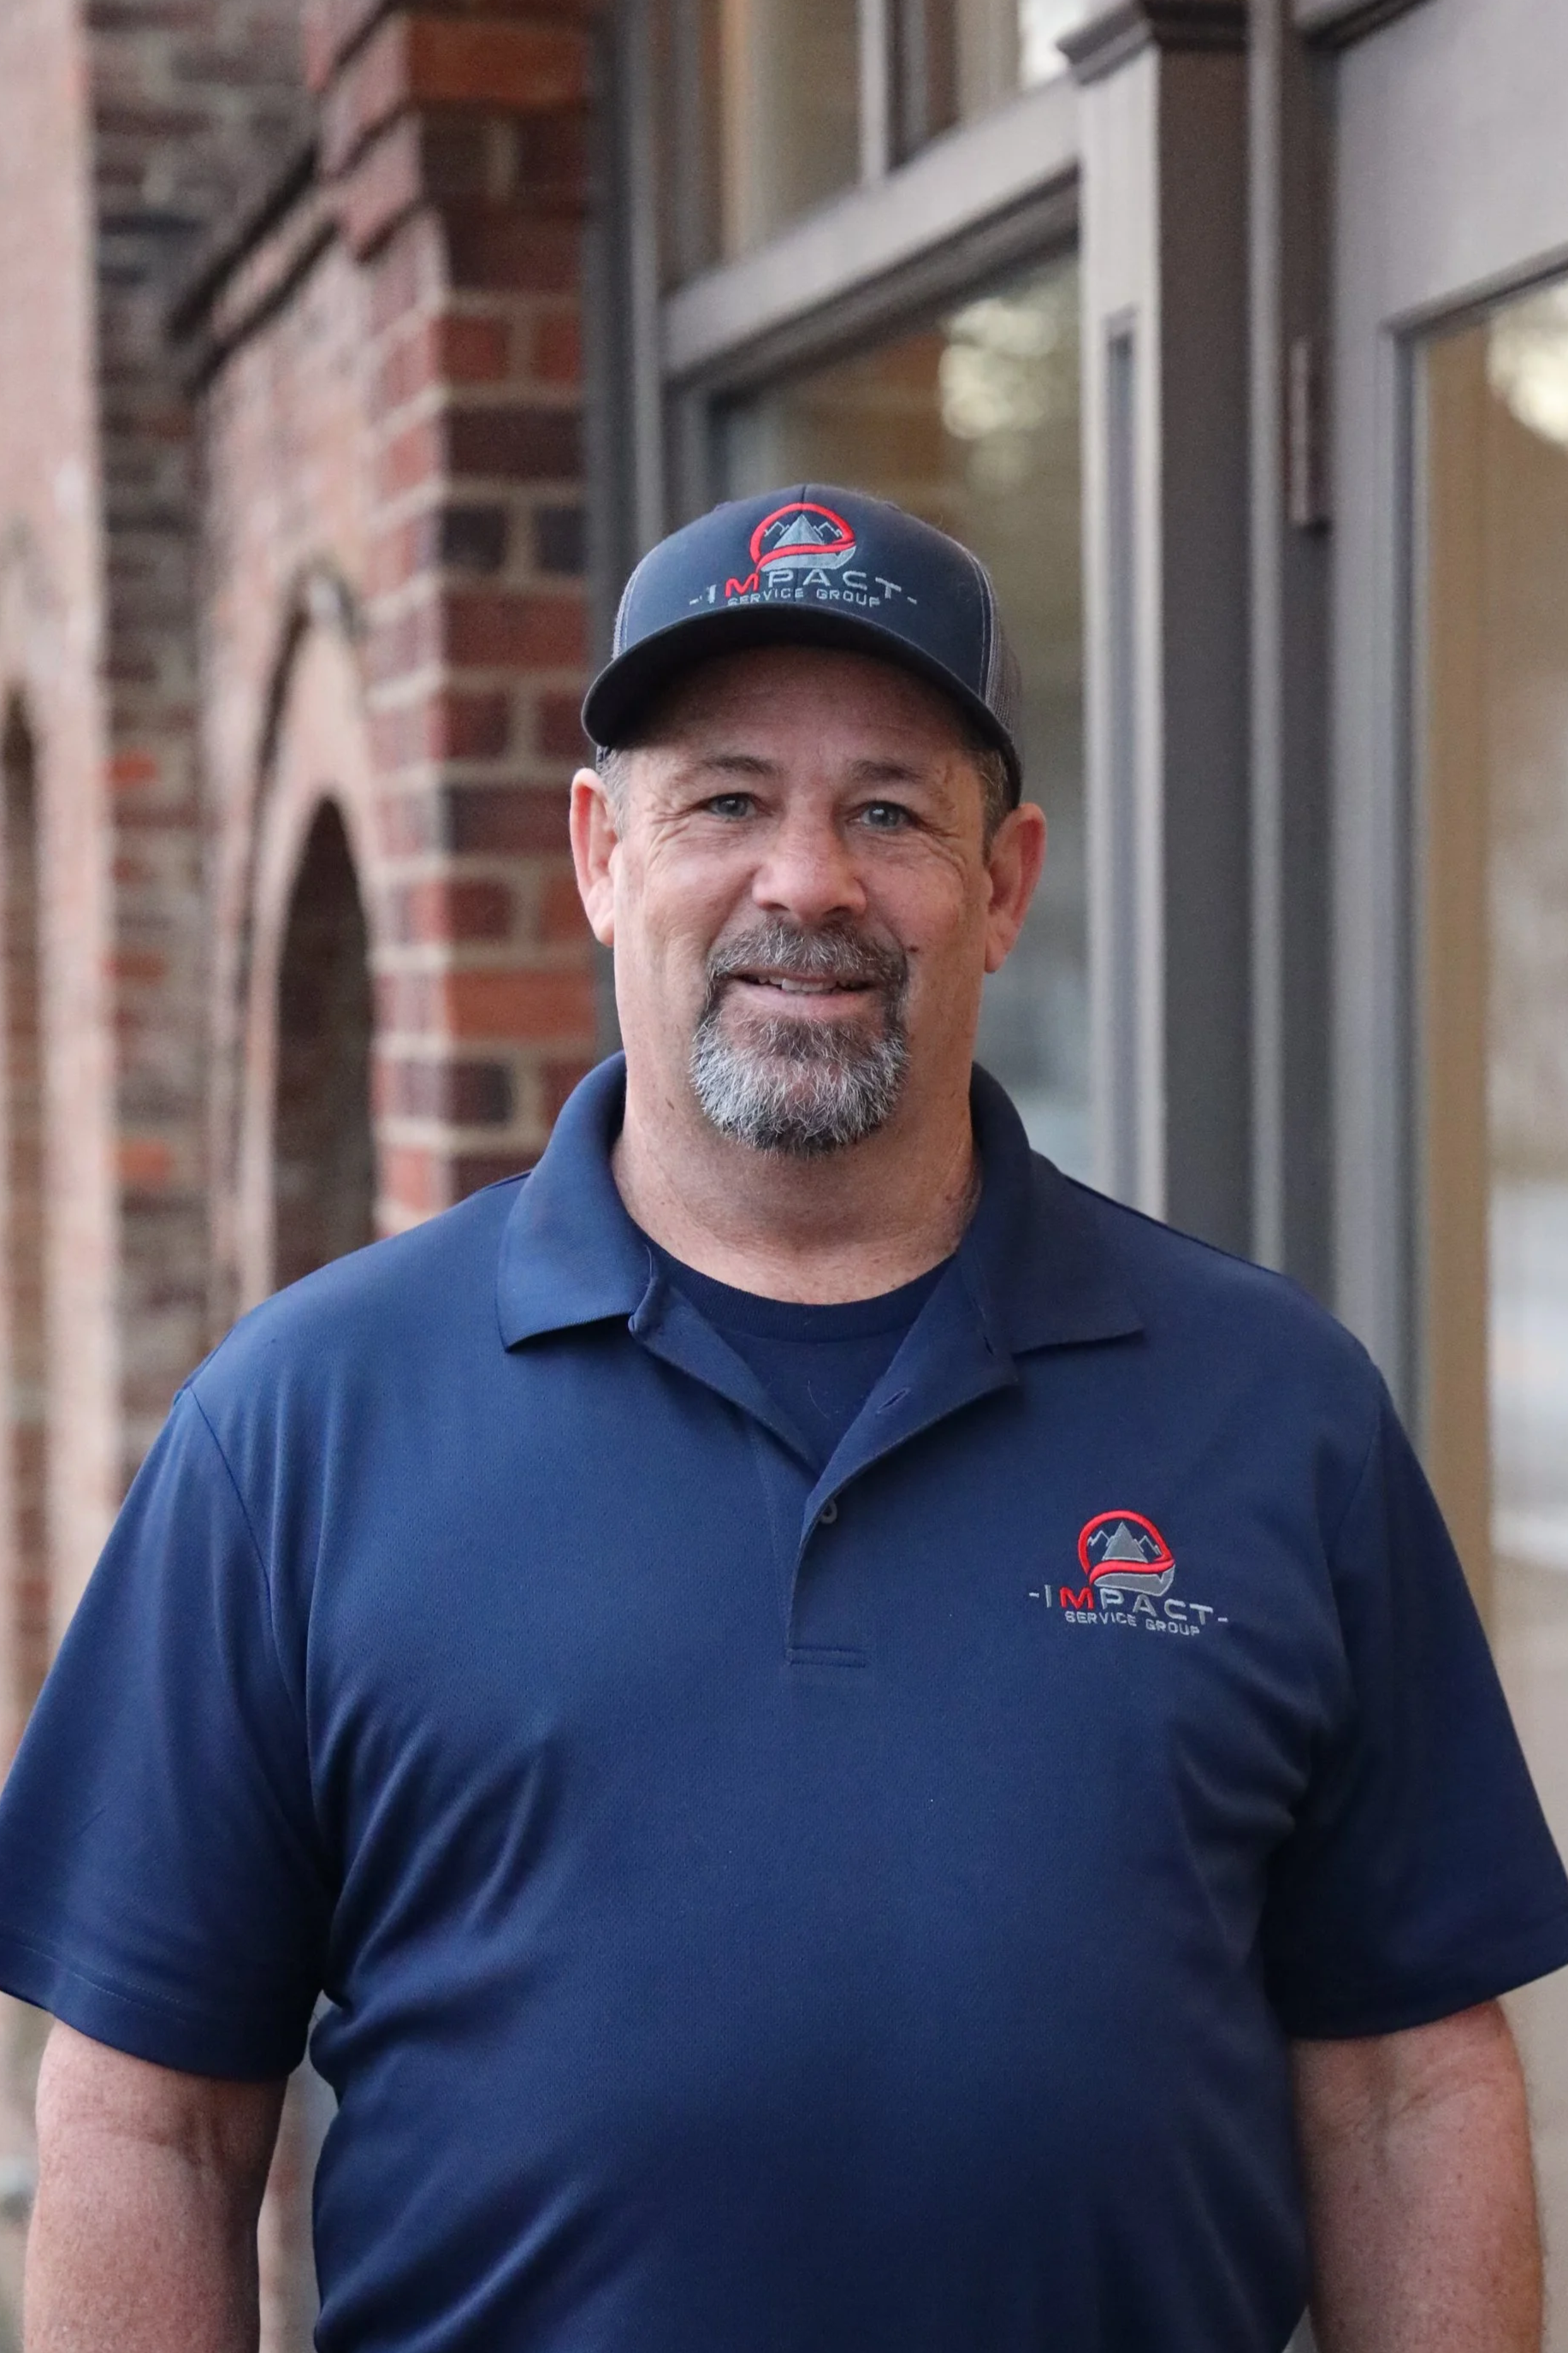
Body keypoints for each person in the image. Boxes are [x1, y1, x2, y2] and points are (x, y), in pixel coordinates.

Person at [0, 484, 1565, 2353]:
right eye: (725, 799)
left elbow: (1405, 2089)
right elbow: (149, 2123)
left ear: (1002, 883)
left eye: (889, 810)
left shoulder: (1271, 1410)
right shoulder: (303, 1426)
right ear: (600, 853)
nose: (806, 881)